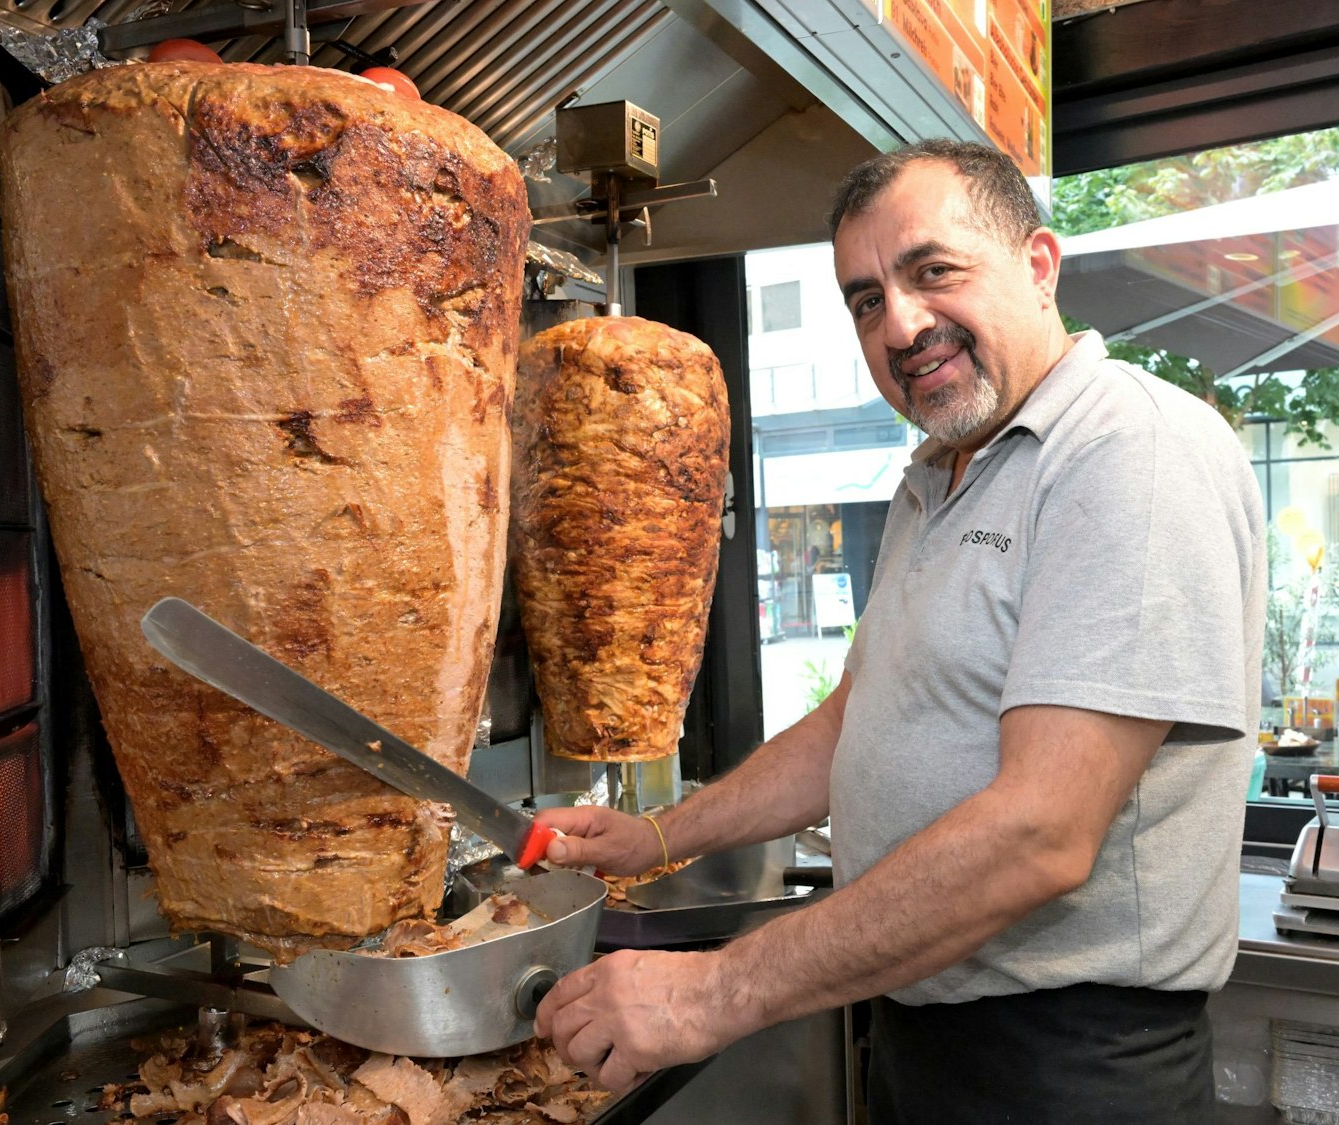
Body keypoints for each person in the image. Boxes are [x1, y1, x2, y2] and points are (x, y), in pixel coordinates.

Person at [532, 139, 1266, 1122]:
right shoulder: (937, 473)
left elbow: (1039, 833)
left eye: (931, 272)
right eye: (865, 299)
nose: (901, 324)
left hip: (1070, 1069)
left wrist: (710, 994)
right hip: (924, 1034)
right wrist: (655, 835)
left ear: (1038, 266)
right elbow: (852, 722)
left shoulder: (1127, 450)